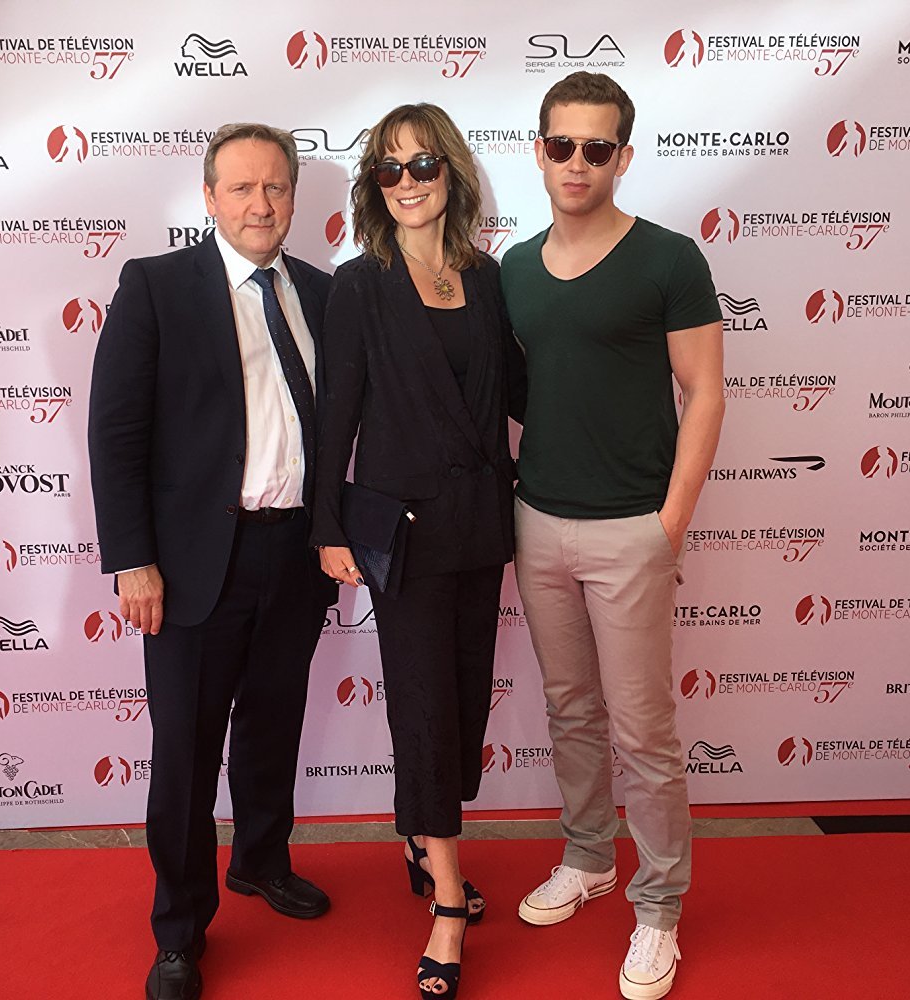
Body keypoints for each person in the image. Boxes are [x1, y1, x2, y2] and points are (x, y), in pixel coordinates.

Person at [88, 122, 338, 1000]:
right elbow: (116, 434)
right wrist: (133, 560)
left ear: (293, 196)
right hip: (195, 563)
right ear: (208, 197)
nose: (260, 204)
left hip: (296, 553)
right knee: (186, 754)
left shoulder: (321, 292)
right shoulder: (156, 287)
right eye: (241, 187)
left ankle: (261, 860)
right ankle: (179, 930)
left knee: (273, 725)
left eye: (275, 187)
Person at [501, 72, 725, 1000]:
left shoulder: (668, 259)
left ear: (623, 157)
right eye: (562, 144)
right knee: (569, 710)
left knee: (644, 731)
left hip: (632, 527)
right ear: (539, 150)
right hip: (536, 520)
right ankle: (589, 855)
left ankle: (658, 908)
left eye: (597, 148)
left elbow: (704, 392)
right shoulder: (513, 268)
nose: (577, 162)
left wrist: (669, 523)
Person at [309, 103, 525, 1000]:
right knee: (426, 709)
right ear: (374, 186)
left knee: (464, 704)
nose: (406, 182)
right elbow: (337, 416)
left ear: (452, 175)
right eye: (388, 169)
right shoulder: (359, 285)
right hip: (401, 533)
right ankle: (444, 902)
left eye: (423, 165)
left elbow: (519, 394)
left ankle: (417, 836)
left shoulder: (488, 276)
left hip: (480, 525)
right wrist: (327, 526)